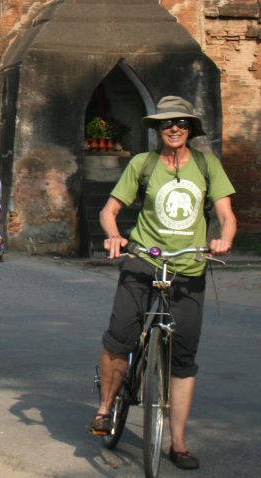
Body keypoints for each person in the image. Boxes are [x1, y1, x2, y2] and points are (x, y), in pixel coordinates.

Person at [91, 96, 236, 471]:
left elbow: (225, 213)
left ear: (190, 129)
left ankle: (178, 442)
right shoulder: (143, 163)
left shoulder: (207, 165)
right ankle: (106, 406)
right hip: (142, 261)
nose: (174, 128)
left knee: (184, 359)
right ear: (157, 129)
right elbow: (110, 210)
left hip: (189, 267)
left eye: (182, 123)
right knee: (119, 337)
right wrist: (113, 236)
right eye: (166, 123)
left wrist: (223, 237)